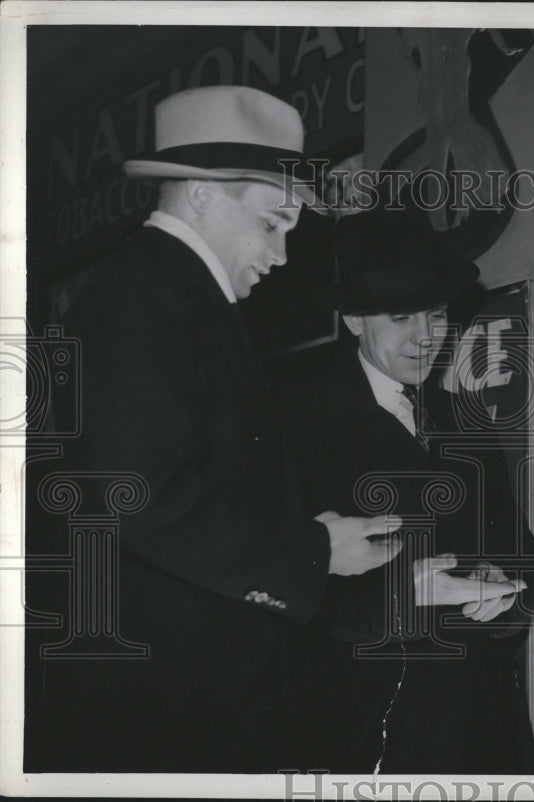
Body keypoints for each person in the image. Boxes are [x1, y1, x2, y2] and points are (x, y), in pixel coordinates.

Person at [31, 86, 402, 773]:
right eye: (271, 224)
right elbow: (135, 496)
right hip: (164, 720)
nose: (283, 254)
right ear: (200, 197)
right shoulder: (143, 298)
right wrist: (311, 550)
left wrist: (310, 538)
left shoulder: (172, 296)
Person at [282, 203, 534, 774]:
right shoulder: (296, 425)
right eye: (402, 318)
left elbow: (527, 557)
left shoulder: (468, 421)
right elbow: (276, 592)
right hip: (365, 740)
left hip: (484, 736)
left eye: (436, 314)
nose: (427, 338)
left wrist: (505, 595)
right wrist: (404, 598)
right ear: (354, 318)